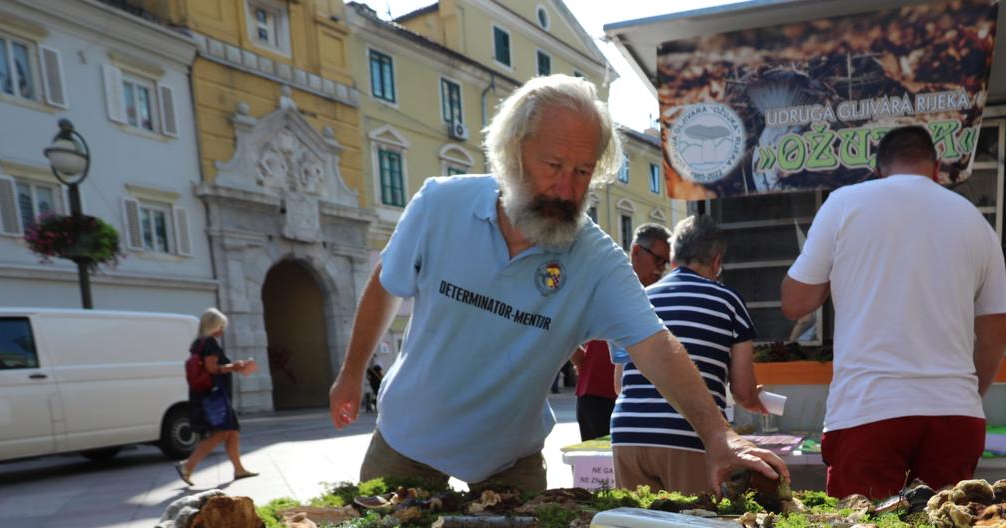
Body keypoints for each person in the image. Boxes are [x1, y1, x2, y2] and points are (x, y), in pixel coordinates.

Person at [326, 74, 786, 494]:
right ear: (514, 150)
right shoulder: (439, 205)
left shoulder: (594, 257)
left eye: (583, 172)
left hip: (508, 461)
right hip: (407, 441)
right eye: (553, 165)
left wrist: (718, 436)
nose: (567, 190)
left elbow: (658, 347)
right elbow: (386, 285)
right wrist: (351, 375)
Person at [781, 126, 1006, 499]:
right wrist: (965, 392)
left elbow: (795, 303)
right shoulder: (975, 221)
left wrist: (830, 274)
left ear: (878, 170)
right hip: (954, 411)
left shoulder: (844, 203)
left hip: (867, 408)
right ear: (937, 168)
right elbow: (996, 335)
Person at [611, 214, 768, 495]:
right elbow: (743, 390)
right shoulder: (728, 301)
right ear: (717, 261)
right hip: (690, 435)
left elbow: (620, 384)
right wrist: (754, 399)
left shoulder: (640, 297)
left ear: (672, 256)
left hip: (628, 432)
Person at [573, 223, 670, 441]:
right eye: (658, 259)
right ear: (636, 251)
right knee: (598, 470)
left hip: (637, 397)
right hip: (597, 393)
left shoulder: (658, 293)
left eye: (665, 262)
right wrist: (580, 359)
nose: (661, 268)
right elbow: (565, 318)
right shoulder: (608, 279)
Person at [177, 308, 257, 486]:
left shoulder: (199, 343)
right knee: (221, 432)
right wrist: (235, 366)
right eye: (220, 326)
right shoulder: (209, 343)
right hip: (215, 397)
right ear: (212, 326)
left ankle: (239, 469)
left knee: (233, 431)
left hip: (209, 396)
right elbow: (212, 369)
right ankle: (187, 466)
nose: (222, 331)